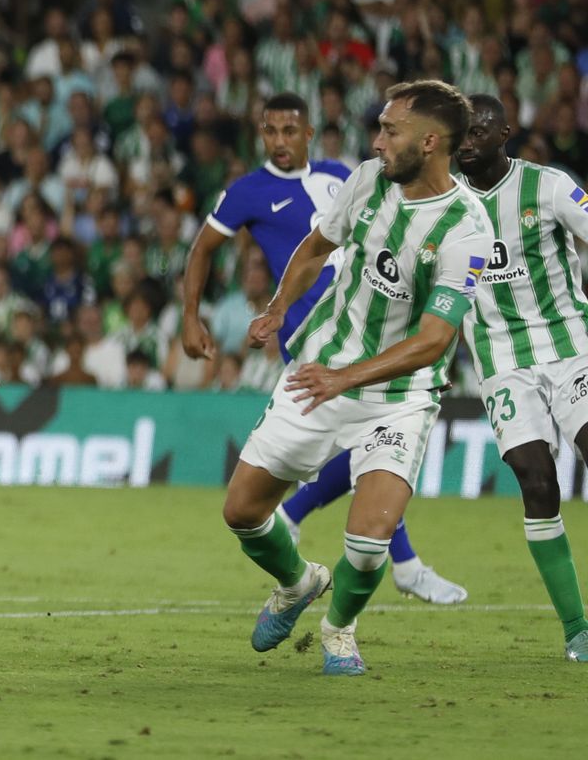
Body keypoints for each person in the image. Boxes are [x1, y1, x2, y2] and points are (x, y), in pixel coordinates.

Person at [221, 81, 490, 675]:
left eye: (390, 131)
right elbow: (318, 245)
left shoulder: (467, 229)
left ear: (429, 141)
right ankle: (297, 583)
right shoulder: (369, 179)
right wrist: (277, 308)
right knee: (241, 511)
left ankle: (339, 630)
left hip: (397, 396)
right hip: (319, 367)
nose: (377, 140)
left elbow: (434, 340)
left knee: (369, 545)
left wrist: (346, 380)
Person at [455, 94, 588, 661]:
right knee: (537, 482)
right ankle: (578, 630)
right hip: (500, 360)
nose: (467, 139)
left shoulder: (551, 186)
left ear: (505, 132)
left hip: (571, 349)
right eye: (461, 130)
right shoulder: (442, 203)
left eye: (479, 129)